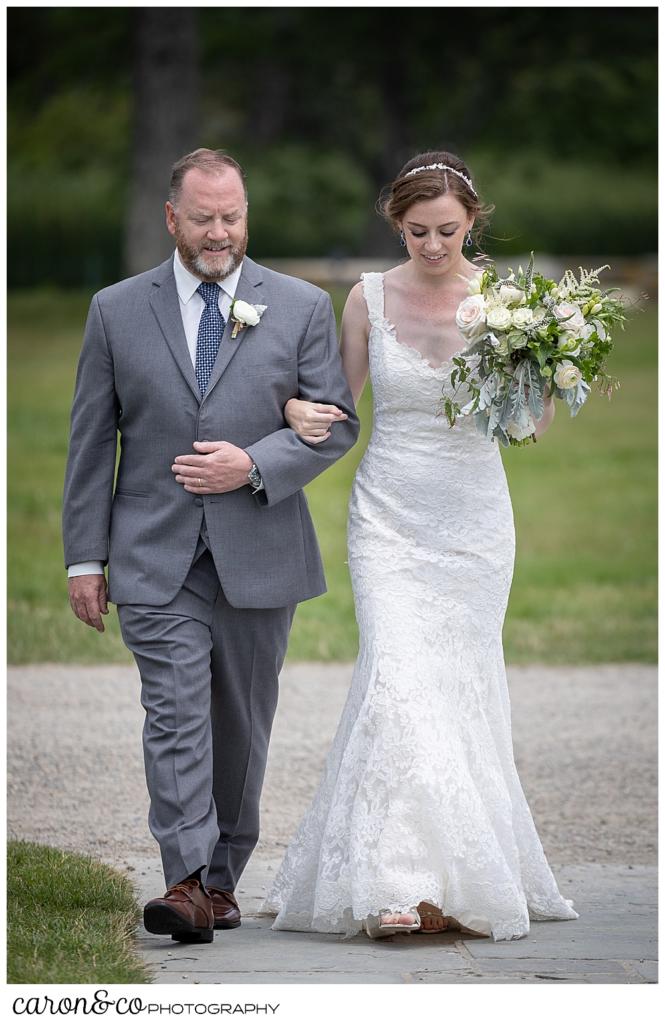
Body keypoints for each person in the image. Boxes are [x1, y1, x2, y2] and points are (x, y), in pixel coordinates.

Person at [262, 151, 579, 941]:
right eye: (415, 231)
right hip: (389, 521)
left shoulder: (509, 304)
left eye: (445, 230)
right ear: (393, 224)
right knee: (397, 679)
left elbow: (523, 430)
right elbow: (338, 405)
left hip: (472, 522)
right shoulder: (367, 297)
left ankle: (453, 878)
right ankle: (396, 881)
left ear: (472, 221)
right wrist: (298, 414)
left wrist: (544, 364)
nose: (431, 245)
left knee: (459, 688)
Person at [63, 148, 359, 944]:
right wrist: (84, 559)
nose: (220, 231)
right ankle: (185, 881)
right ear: (173, 220)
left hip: (259, 550)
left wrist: (253, 463)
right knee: (174, 715)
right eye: (203, 218)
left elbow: (336, 424)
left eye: (232, 216)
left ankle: (222, 878)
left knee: (240, 724)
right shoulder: (116, 309)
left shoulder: (298, 306)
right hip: (153, 554)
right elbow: (92, 443)